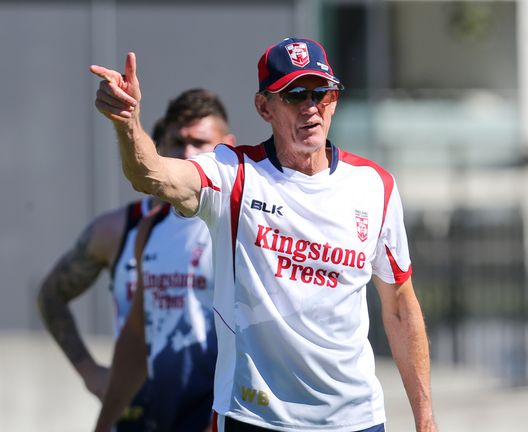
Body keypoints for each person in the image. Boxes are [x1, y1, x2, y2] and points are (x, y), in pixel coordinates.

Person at [89, 37, 437, 432]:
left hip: (356, 421)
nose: (310, 107)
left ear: (334, 100)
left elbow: (399, 307)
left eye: (320, 92)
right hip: (253, 419)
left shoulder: (375, 186)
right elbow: (151, 175)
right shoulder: (234, 174)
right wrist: (128, 124)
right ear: (263, 107)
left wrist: (425, 419)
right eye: (293, 95)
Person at [38, 88, 235, 431]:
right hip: (139, 411)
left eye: (201, 143)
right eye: (177, 142)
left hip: (212, 413)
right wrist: (90, 374)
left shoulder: (240, 223)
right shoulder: (129, 229)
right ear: (158, 150)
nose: (188, 154)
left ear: (228, 146)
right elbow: (53, 295)